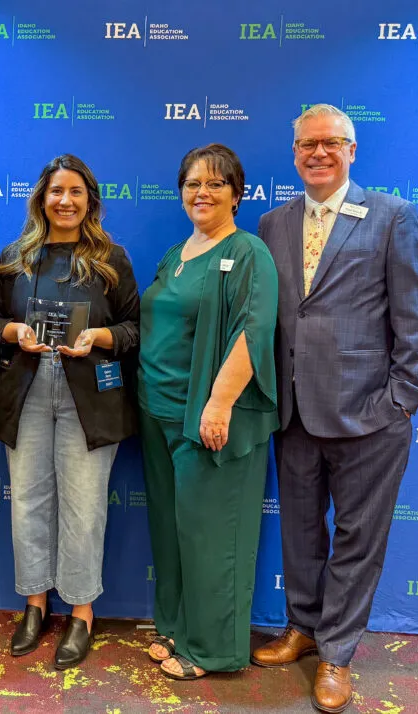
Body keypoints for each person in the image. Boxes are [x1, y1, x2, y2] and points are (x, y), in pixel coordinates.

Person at [250, 104, 418, 713]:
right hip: (294, 413)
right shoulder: (273, 223)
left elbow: (415, 316)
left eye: (331, 143)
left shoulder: (392, 216)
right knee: (300, 532)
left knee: (358, 539)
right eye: (308, 144)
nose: (319, 153)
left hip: (371, 415)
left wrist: (402, 400)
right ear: (294, 153)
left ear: (352, 151)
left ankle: (337, 652)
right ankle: (302, 629)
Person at [0, 155, 140, 670]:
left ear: (89, 200)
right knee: (28, 501)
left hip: (89, 397)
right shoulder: (16, 258)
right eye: (56, 192)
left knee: (84, 508)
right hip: (27, 391)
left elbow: (135, 330)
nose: (65, 201)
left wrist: (100, 336)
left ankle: (81, 611)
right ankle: (35, 603)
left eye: (75, 192)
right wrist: (14, 332)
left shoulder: (111, 259)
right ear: (41, 199)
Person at [138, 144, 279, 680]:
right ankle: (177, 628)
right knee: (173, 532)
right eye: (193, 183)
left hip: (209, 419)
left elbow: (253, 330)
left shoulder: (248, 253)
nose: (203, 193)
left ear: (237, 195)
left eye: (216, 184)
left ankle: (212, 651)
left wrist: (218, 405)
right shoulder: (176, 253)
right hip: (158, 413)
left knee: (212, 536)